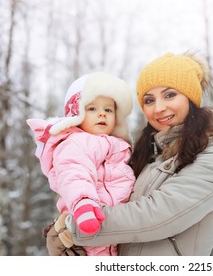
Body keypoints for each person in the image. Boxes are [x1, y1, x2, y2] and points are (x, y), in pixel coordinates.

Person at [46, 51, 213, 256]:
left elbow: (159, 216)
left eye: (170, 95)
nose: (159, 108)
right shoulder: (151, 154)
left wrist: (72, 228)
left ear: (190, 98)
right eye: (149, 100)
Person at [27, 72, 135, 256]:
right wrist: (83, 203)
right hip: (88, 222)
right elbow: (73, 172)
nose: (102, 113)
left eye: (108, 110)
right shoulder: (75, 142)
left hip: (119, 233)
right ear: (77, 114)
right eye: (92, 109)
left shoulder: (122, 147)